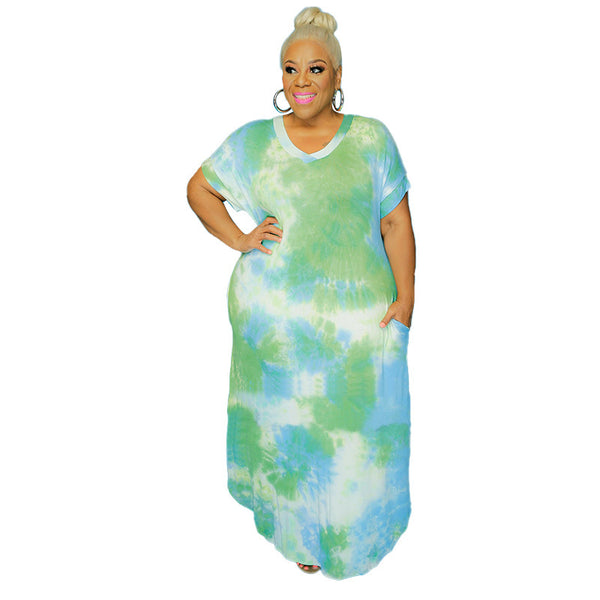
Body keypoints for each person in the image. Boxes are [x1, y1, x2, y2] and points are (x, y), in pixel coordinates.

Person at [187, 6, 415, 580]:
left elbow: (395, 223)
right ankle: (299, 533)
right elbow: (199, 189)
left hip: (357, 333)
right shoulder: (254, 143)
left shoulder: (371, 139)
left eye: (316, 69)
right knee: (289, 435)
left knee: (351, 436)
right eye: (291, 69)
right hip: (276, 333)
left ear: (338, 75)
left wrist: (407, 299)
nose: (302, 81)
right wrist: (240, 238)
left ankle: (349, 534)